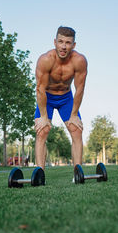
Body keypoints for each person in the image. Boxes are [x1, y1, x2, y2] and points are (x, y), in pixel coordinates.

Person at [34, 26, 88, 170]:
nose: (64, 46)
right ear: (55, 42)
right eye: (61, 41)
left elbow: (80, 88)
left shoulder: (79, 61)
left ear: (74, 45)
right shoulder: (45, 60)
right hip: (47, 98)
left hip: (66, 98)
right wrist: (44, 116)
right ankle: (40, 174)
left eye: (68, 43)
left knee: (76, 130)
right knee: (42, 130)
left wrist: (74, 114)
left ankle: (78, 173)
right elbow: (40, 89)